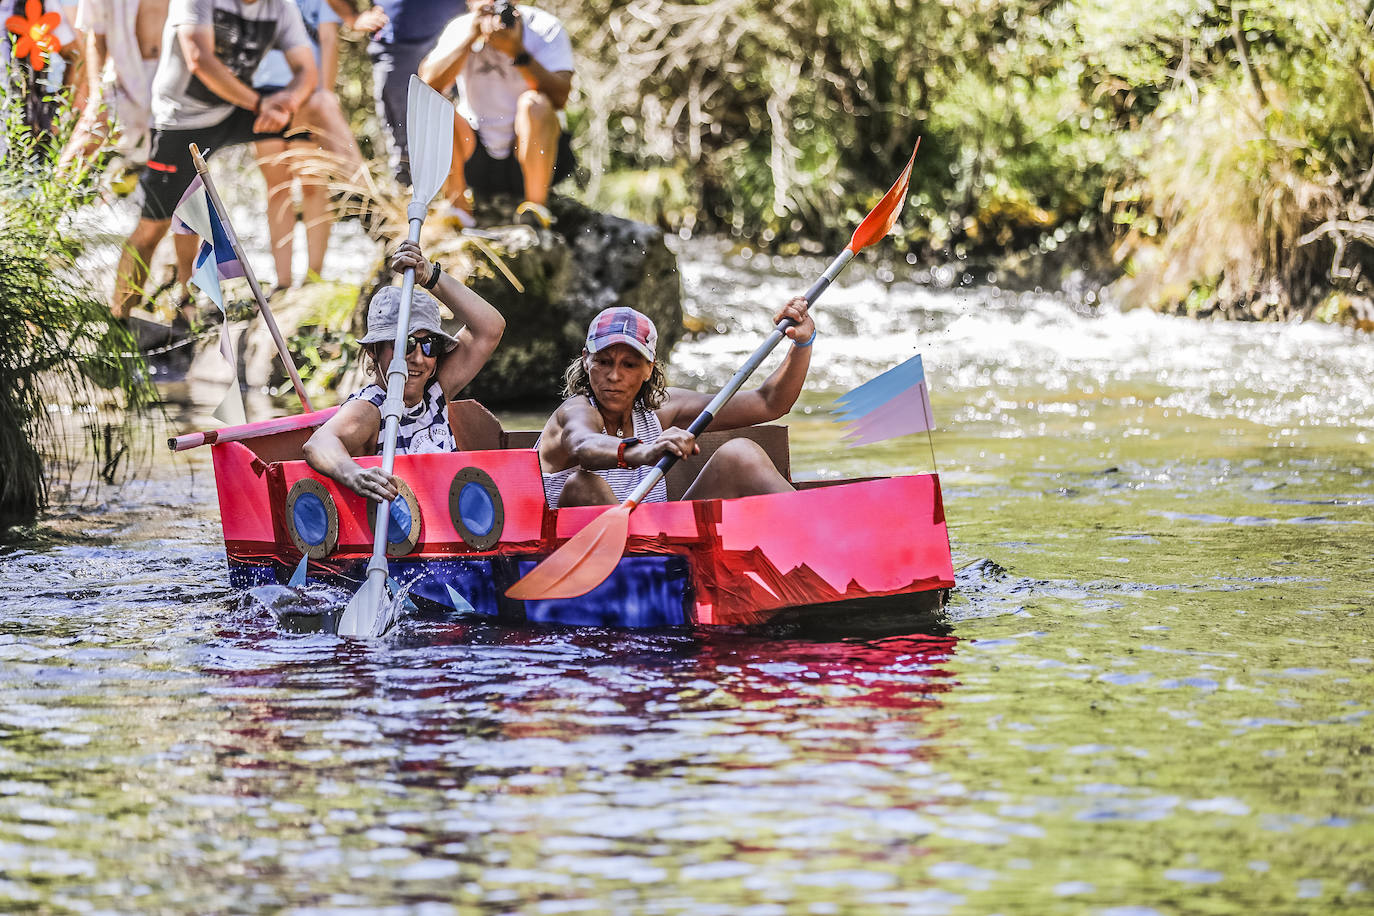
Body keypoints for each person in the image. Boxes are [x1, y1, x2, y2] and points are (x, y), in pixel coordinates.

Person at [110, 0, 317, 324]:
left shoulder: (280, 6)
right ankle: (120, 316)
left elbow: (307, 68)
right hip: (181, 120)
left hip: (237, 108)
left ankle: (192, 300)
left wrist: (287, 102)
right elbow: (199, 59)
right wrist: (263, 104)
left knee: (316, 108)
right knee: (157, 225)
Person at [537, 301, 816, 508]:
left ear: (648, 370)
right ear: (586, 361)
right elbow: (583, 445)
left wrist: (802, 344)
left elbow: (768, 403)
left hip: (656, 550)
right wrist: (645, 452)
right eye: (604, 362)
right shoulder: (574, 411)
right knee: (583, 485)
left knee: (740, 454)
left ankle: (827, 539)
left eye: (630, 365)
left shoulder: (661, 409)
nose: (614, 376)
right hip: (580, 559)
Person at [302, 239, 505, 501]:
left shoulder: (435, 390)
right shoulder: (371, 408)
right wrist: (352, 474)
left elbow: (491, 328)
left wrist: (430, 275)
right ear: (374, 351)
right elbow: (318, 444)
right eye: (406, 344)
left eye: (429, 344)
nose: (419, 358)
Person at [419, 0, 573, 229]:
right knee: (437, 106)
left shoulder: (544, 27)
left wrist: (516, 52)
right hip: (477, 156)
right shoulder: (461, 28)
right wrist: (470, 37)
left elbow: (560, 97)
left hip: (534, 156)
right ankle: (458, 209)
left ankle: (536, 210)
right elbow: (426, 85)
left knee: (535, 103)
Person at [251, 0, 367, 290]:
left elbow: (329, 40)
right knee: (277, 190)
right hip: (263, 97)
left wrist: (323, 98)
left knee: (313, 184)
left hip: (307, 98)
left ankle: (314, 277)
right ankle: (282, 282)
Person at [58, 0, 168, 179]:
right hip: (121, 78)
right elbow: (96, 37)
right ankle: (52, 203)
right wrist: (96, 95)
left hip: (170, 82)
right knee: (81, 148)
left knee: (165, 168)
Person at [358, 0, 460, 187]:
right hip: (397, 50)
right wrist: (355, 17)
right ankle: (409, 206)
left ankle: (459, 204)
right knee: (406, 149)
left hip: (456, 44)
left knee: (455, 131)